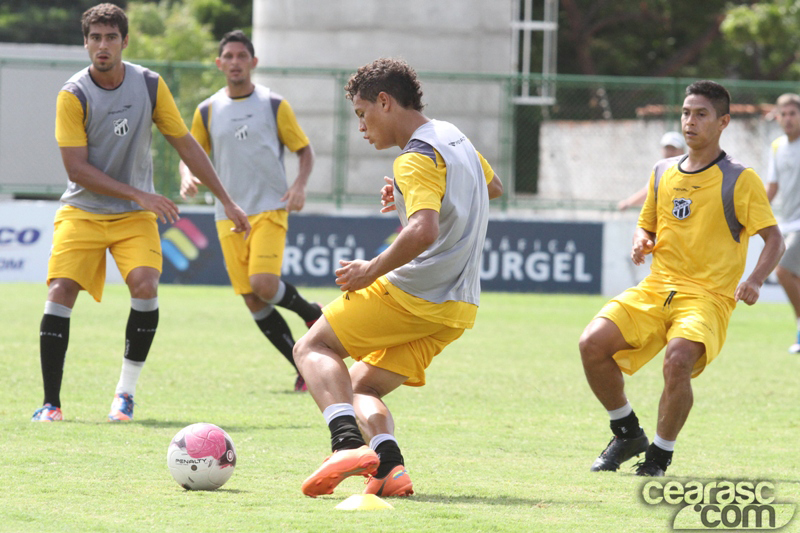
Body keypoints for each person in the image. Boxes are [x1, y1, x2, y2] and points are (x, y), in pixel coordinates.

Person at [293, 58, 504, 497]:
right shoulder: (453, 137)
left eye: (362, 113)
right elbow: (493, 186)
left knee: (312, 345)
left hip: (415, 293)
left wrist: (369, 270)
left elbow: (423, 230)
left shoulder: (415, 157)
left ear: (384, 102)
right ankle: (390, 469)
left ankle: (345, 445)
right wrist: (414, 193)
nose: (361, 126)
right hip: (457, 308)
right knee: (359, 385)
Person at [32, 3, 250, 422]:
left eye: (110, 37)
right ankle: (50, 403)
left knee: (146, 286)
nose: (102, 45)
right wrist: (141, 194)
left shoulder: (149, 85)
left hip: (133, 215)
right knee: (60, 290)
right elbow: (76, 169)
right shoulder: (72, 94)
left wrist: (226, 199)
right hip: (83, 210)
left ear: (124, 41)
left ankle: (124, 395)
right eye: (94, 37)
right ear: (85, 43)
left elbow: (185, 143)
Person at [579, 80, 784, 476]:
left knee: (677, 361)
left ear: (723, 122)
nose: (691, 121)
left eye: (701, 114)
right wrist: (642, 241)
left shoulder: (740, 179)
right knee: (591, 344)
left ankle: (659, 454)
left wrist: (756, 279)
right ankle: (626, 432)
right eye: (687, 113)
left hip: (707, 297)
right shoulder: (661, 172)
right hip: (656, 288)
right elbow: (647, 226)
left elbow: (773, 238)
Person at [179, 30, 322, 392]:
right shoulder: (207, 110)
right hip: (227, 215)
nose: (235, 62)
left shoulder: (274, 105)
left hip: (269, 208)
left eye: (242, 56)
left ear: (253, 62)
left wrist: (300, 184)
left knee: (262, 283)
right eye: (228, 56)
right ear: (219, 63)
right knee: (252, 298)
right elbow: (192, 155)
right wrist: (186, 176)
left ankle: (310, 314)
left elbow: (304, 150)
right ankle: (302, 364)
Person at [765, 93, 800, 353]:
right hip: (787, 223)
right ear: (777, 117)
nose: (788, 119)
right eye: (784, 114)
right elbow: (773, 187)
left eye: (793, 113)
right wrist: (752, 213)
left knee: (782, 271)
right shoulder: (777, 146)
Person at [617, 131, 686, 210]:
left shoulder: (688, 169)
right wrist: (628, 202)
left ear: (682, 150)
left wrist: (628, 203)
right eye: (667, 148)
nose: (670, 152)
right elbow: (649, 192)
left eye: (673, 148)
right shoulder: (660, 170)